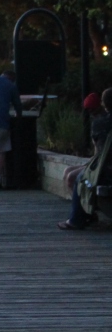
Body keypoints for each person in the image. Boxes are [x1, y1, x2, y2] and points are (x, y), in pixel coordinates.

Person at [60, 88, 112, 230]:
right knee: (69, 171)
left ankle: (77, 219)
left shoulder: (101, 123)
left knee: (75, 178)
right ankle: (86, 213)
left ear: (104, 104)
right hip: (104, 165)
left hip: (105, 170)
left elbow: (98, 151)